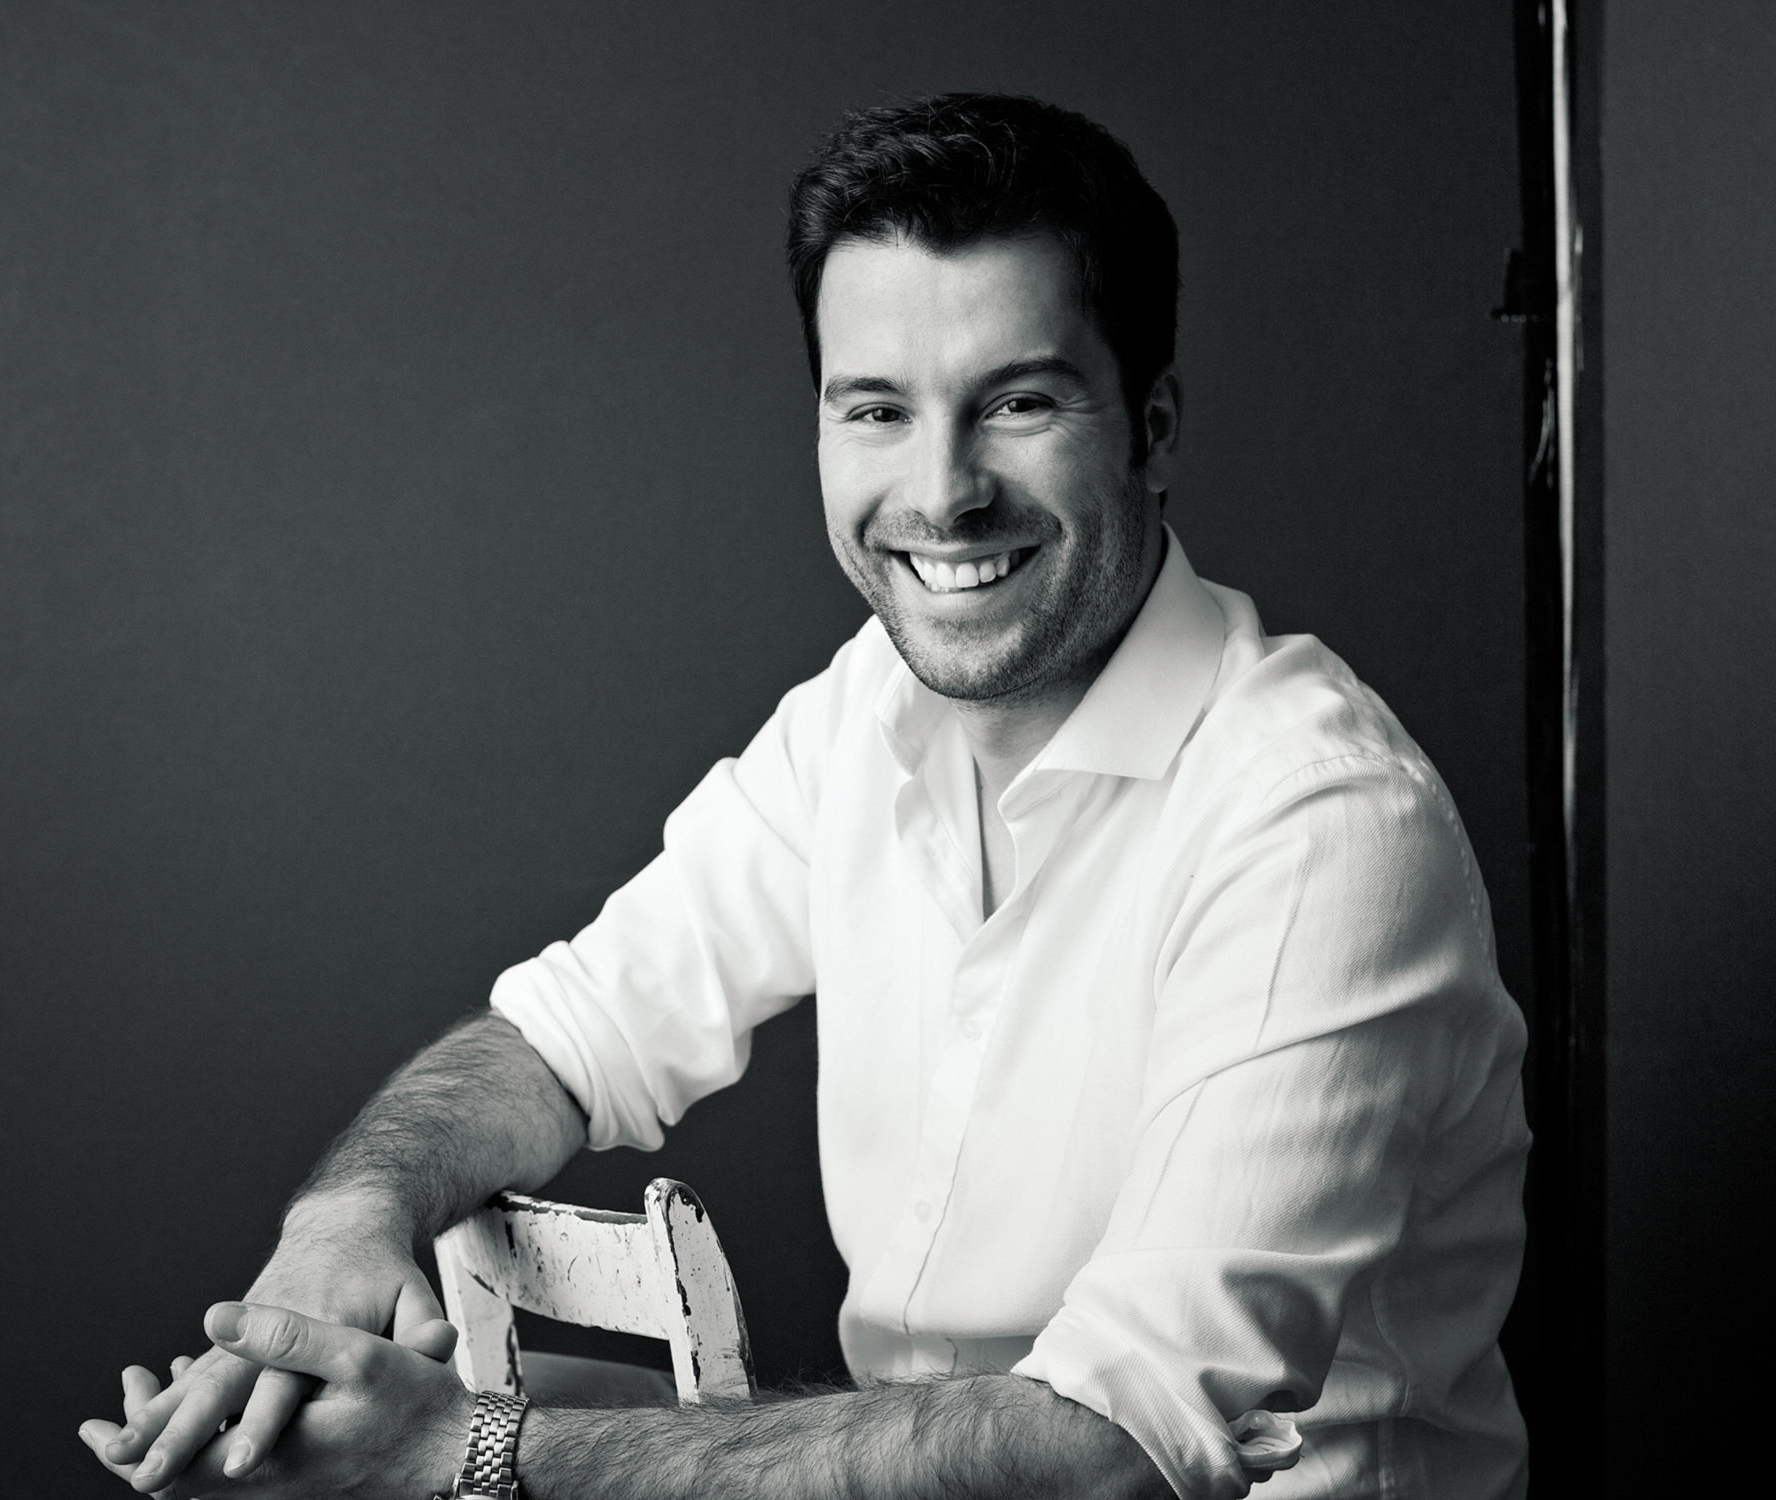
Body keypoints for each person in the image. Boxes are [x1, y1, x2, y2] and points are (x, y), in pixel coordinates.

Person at [78, 92, 1529, 1500]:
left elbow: (1113, 1445)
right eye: (877, 408)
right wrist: (344, 1226)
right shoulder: (860, 714)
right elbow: (567, 1038)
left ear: (1149, 425)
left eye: (1018, 401)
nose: (940, 491)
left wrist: (466, 1456)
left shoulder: (1320, 820)